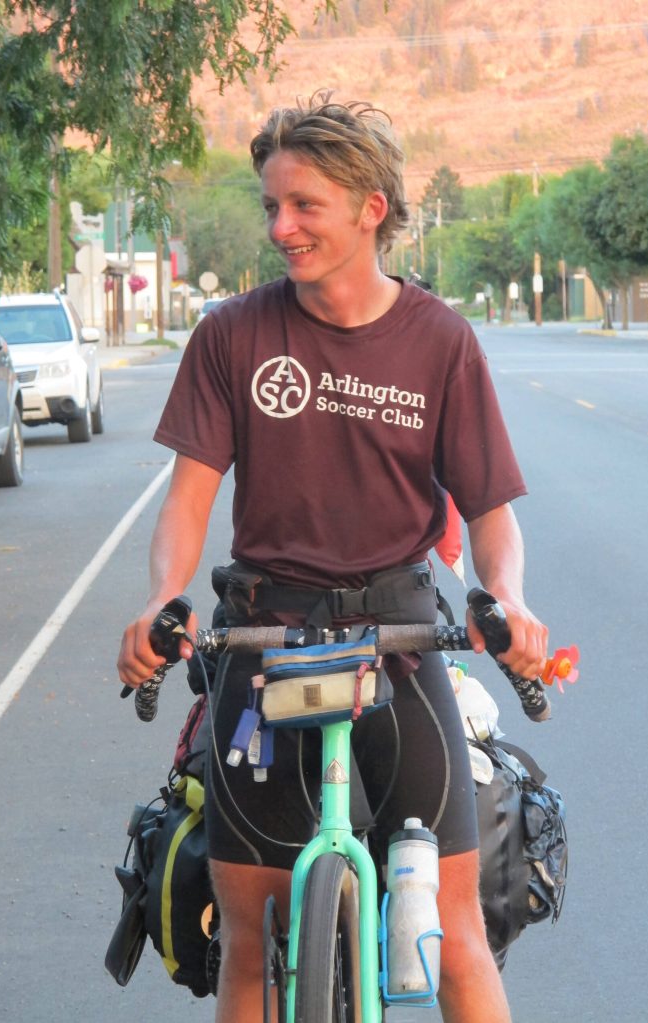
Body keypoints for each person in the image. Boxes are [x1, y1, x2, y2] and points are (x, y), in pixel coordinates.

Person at [118, 90, 548, 1023]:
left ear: (370, 210)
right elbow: (187, 501)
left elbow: (490, 514)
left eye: (303, 205)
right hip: (264, 635)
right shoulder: (232, 333)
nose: (280, 227)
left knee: (460, 934)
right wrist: (165, 599)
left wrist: (503, 596)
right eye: (271, 204)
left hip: (399, 637)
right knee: (244, 943)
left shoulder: (438, 340)